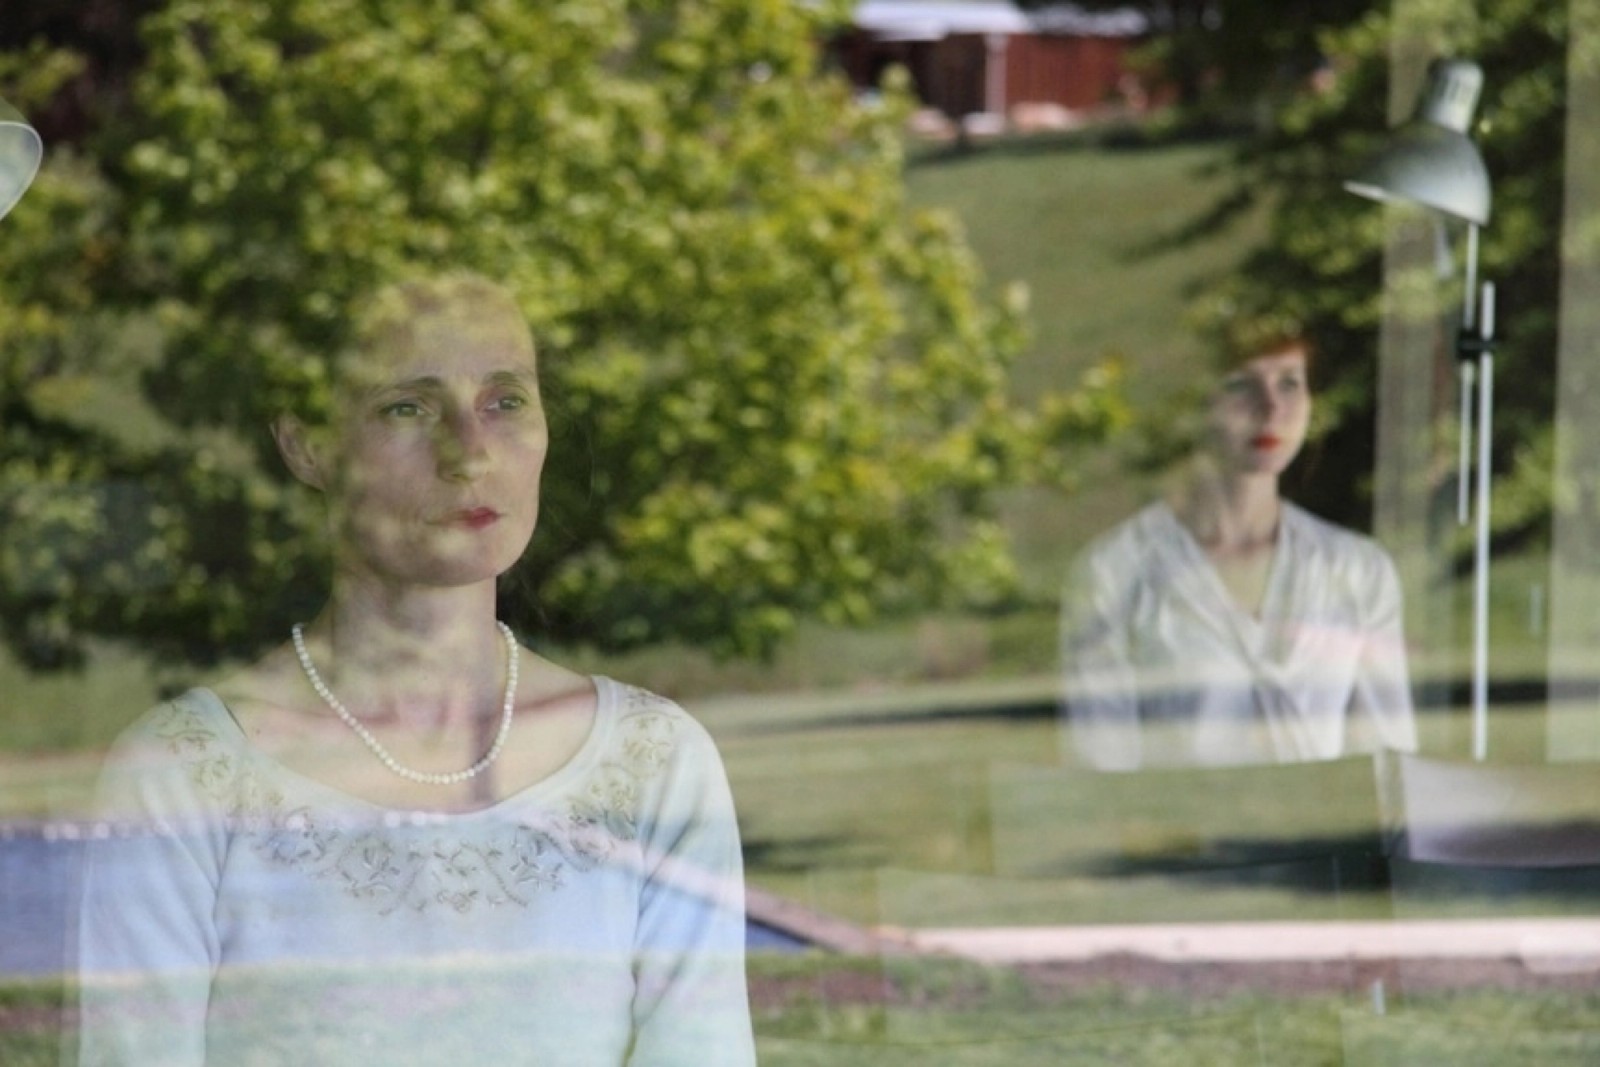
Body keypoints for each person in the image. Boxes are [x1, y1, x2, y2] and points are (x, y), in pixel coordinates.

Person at [76, 274, 755, 1065]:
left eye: (506, 402)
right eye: (409, 406)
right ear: (307, 443)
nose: (469, 452)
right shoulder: (180, 775)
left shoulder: (655, 762)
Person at [1061, 331, 1417, 770]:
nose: (1270, 409)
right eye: (1241, 385)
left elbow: (1390, 768)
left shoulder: (1358, 570)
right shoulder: (1114, 571)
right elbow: (1100, 772)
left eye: (1289, 384)